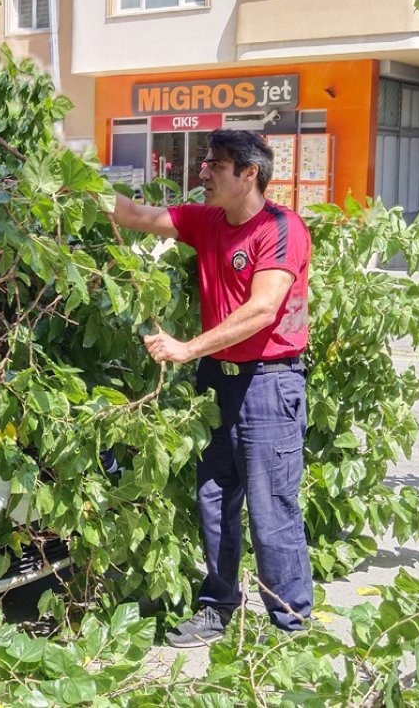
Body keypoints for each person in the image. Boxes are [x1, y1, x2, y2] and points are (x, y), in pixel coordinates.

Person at [108, 129, 312, 646]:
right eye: (204, 162)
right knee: (215, 499)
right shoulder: (207, 221)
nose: (202, 172)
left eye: (215, 165)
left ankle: (289, 626)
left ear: (249, 173)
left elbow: (264, 309)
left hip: (269, 383)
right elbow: (133, 215)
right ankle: (218, 607)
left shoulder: (281, 228)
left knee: (272, 509)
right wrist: (69, 183)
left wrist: (187, 348)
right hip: (217, 384)